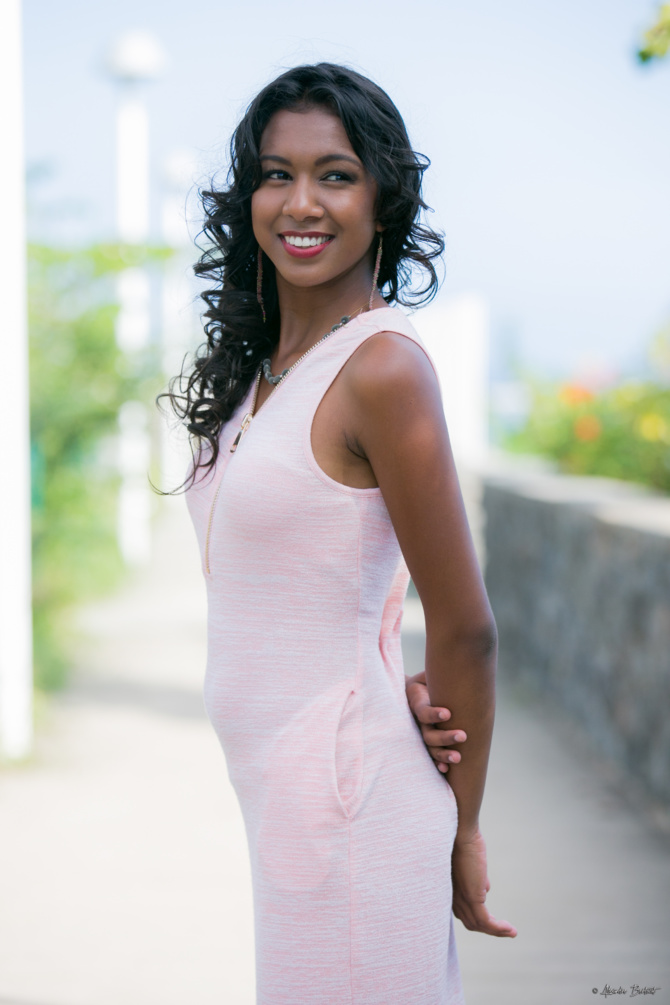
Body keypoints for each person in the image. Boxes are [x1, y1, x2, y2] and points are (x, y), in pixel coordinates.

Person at [164, 62, 516, 1005]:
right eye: (275, 174)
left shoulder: (381, 369)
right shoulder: (261, 373)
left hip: (355, 807)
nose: (300, 202)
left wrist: (463, 826)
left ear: (382, 197)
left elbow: (466, 625)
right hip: (288, 805)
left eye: (336, 174)